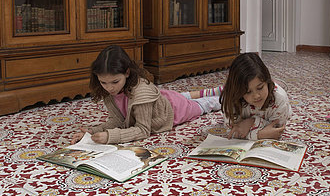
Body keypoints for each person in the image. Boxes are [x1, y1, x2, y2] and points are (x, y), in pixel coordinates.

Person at [71, 45, 221, 144]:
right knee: (177, 95)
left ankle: (220, 96)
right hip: (161, 97)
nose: (109, 88)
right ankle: (206, 91)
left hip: (173, 109)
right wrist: (92, 132)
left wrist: (111, 137)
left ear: (127, 73)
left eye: (115, 82)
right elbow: (118, 120)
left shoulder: (141, 93)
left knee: (205, 105)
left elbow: (143, 130)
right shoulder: (111, 90)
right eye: (103, 83)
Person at [219, 52, 292, 140]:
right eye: (248, 92)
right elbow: (231, 132)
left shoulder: (279, 99)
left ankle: (277, 84)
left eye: (260, 88)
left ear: (267, 82)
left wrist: (251, 122)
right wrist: (260, 134)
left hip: (278, 100)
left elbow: (276, 132)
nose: (256, 96)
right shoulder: (231, 99)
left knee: (284, 103)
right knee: (223, 91)